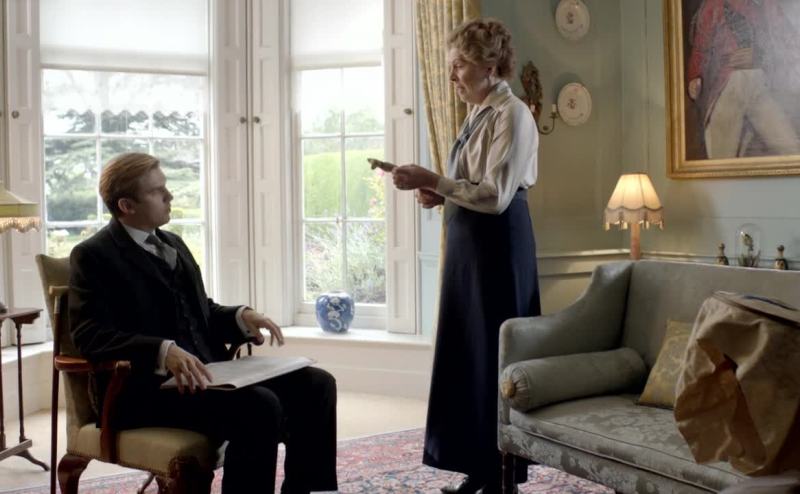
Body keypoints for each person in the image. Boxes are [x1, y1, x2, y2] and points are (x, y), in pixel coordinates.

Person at [69, 152, 338, 494]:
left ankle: (309, 491)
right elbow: (89, 336)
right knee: (259, 406)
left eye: (165, 187)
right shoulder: (93, 255)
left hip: (208, 376)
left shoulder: (173, 243)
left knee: (317, 384)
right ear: (126, 205)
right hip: (144, 392)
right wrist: (161, 351)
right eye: (157, 191)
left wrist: (241, 317)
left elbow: (198, 312)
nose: (169, 196)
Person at [391, 18, 540, 494]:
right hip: (468, 245)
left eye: (459, 65)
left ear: (489, 65)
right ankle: (479, 468)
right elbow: (471, 185)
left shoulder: (513, 114)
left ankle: (503, 475)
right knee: (468, 354)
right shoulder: (477, 113)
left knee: (493, 356)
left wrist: (433, 180)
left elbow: (495, 196)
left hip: (498, 246)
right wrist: (440, 194)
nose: (451, 75)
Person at [687, 0, 800, 158]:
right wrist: (694, 76)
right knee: (721, 161)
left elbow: (789, 44)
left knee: (792, 151)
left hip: (758, 87)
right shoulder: (714, 5)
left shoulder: (767, 5)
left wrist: (759, 58)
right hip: (729, 87)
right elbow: (701, 47)